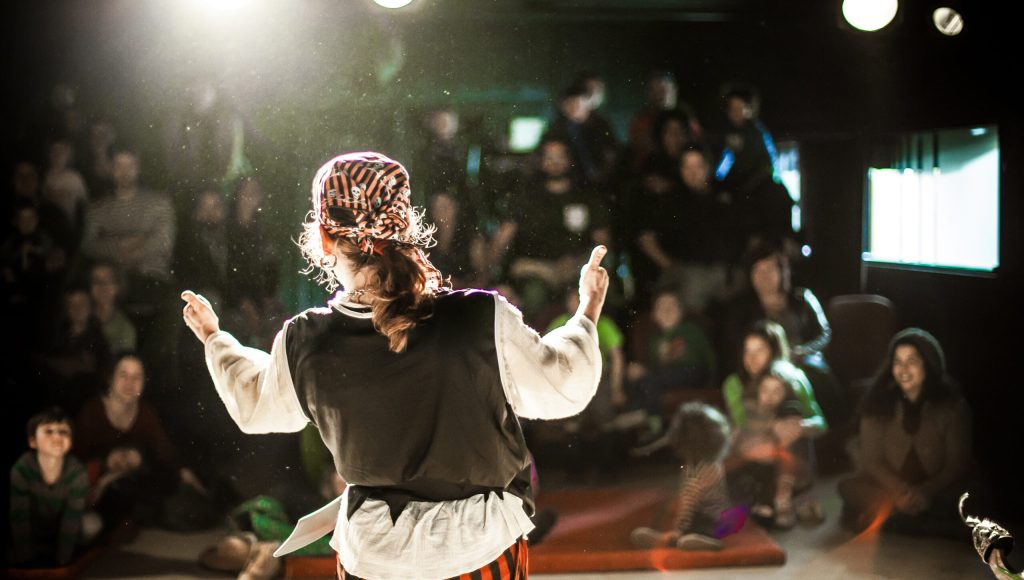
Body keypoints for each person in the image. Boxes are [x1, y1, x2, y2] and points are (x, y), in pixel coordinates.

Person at [180, 151, 609, 579]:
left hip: (373, 559)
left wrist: (216, 340)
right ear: (406, 227)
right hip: (478, 554)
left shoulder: (306, 340)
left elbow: (255, 402)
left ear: (326, 240)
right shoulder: (478, 319)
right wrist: (586, 312)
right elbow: (561, 387)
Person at [838, 328, 972, 537]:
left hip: (936, 489)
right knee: (848, 487)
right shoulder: (877, 403)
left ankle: (894, 518)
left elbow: (956, 463)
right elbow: (872, 460)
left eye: (912, 362)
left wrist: (926, 491)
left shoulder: (952, 406)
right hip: (891, 488)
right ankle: (914, 518)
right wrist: (900, 491)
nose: (903, 369)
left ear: (928, 364)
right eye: (897, 362)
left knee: (971, 497)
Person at [75, 353, 206, 530]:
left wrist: (184, 473)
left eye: (137, 377)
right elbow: (76, 458)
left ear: (144, 383)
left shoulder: (145, 413)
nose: (130, 383)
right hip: (92, 483)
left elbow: (164, 451)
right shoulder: (94, 410)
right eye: (123, 375)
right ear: (109, 379)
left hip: (125, 479)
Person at [630, 403, 741, 551]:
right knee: (683, 519)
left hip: (714, 519)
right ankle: (679, 538)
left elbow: (689, 498)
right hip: (695, 516)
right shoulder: (691, 465)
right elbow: (685, 497)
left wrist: (679, 529)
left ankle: (705, 541)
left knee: (701, 522)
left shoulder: (712, 467)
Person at [9, 407, 94, 567]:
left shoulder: (77, 472)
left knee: (92, 524)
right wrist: (25, 560)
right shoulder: (22, 469)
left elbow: (72, 518)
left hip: (59, 529)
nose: (57, 437)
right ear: (32, 441)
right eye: (48, 431)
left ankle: (61, 554)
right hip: (32, 528)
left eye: (64, 432)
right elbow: (19, 517)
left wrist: (62, 561)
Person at [628, 288, 716, 438]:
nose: (667, 311)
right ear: (654, 315)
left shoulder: (691, 330)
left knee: (651, 377)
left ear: (681, 311)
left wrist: (713, 381)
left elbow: (709, 357)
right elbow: (656, 367)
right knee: (644, 379)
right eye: (662, 307)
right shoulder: (654, 340)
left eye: (672, 306)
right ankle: (642, 416)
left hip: (693, 371)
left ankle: (654, 425)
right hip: (667, 377)